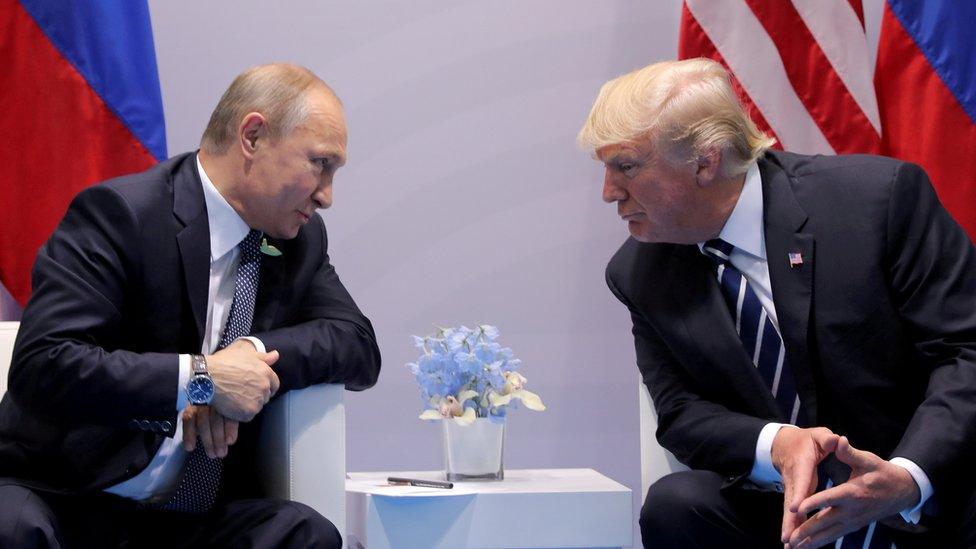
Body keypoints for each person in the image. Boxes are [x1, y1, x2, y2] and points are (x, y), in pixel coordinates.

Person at [578, 58, 976, 548]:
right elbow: (681, 411)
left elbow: (966, 350)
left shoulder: (877, 203)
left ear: (706, 161)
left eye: (627, 166)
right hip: (787, 515)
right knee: (677, 504)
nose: (608, 192)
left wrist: (909, 476)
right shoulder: (641, 273)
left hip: (925, 500)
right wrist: (779, 443)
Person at [0, 63, 381, 548]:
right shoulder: (121, 217)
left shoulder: (296, 239)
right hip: (69, 498)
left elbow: (358, 345)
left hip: (188, 521)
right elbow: (44, 364)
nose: (327, 196)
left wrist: (247, 356)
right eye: (320, 164)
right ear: (253, 136)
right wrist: (199, 380)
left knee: (306, 535)